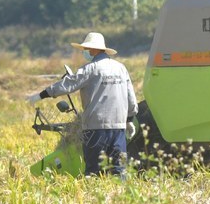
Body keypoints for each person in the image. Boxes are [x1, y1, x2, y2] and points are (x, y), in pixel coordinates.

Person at [27, 32, 138, 177]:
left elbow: (68, 85)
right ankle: (119, 197)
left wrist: (42, 94)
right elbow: (131, 97)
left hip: (96, 128)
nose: (85, 52)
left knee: (93, 170)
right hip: (118, 128)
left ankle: (94, 197)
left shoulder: (90, 69)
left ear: (93, 49)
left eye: (86, 49)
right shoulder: (121, 68)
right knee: (118, 170)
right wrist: (129, 120)